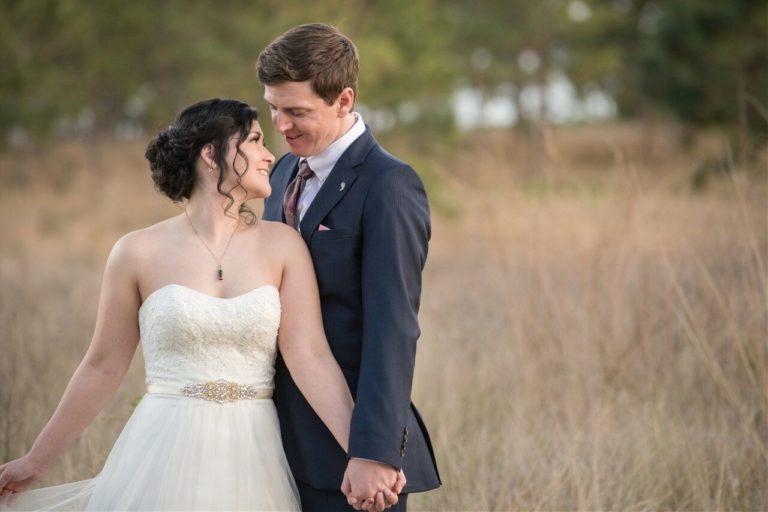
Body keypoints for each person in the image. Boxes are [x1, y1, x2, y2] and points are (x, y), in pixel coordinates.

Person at [0, 98, 359, 510]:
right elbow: (101, 366)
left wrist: (363, 450)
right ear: (211, 153)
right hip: (162, 448)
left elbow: (310, 355)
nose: (269, 154)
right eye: (256, 140)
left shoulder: (283, 245)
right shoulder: (136, 251)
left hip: (254, 451)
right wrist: (37, 460)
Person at [257, 23, 441, 512]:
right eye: (273, 108)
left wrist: (372, 451)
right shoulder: (277, 174)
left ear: (343, 100)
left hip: (349, 456)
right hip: (270, 443)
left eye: (297, 111)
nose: (282, 125)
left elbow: (393, 327)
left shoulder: (389, 185)